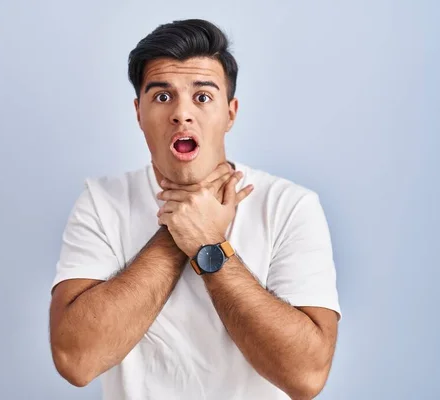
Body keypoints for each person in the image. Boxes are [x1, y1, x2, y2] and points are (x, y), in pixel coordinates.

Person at [49, 18, 341, 400]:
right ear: (138, 113)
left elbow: (307, 375)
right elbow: (76, 360)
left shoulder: (290, 206)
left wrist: (209, 245)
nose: (181, 114)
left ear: (230, 113)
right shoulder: (102, 202)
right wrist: (181, 228)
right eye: (162, 96)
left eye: (202, 97)